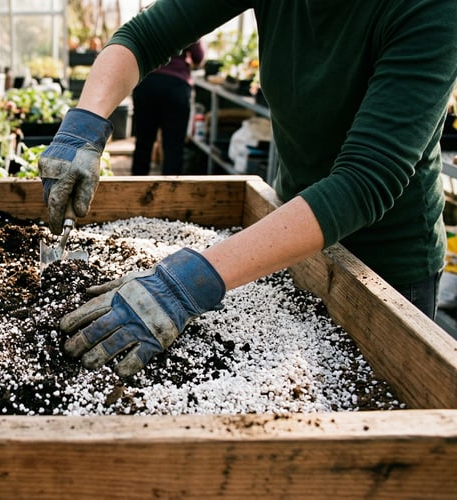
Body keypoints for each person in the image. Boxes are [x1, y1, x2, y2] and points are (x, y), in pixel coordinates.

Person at [38, 0, 457, 377]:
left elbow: (367, 179)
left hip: (385, 261)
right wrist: (85, 123)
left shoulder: (431, 10)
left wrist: (187, 282)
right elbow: (144, 36)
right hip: (289, 234)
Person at [131, 40, 204, 175]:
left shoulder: (146, 19)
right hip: (176, 87)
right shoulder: (187, 21)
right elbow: (198, 57)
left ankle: (136, 191)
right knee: (174, 146)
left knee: (143, 142)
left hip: (147, 81)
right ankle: (170, 193)